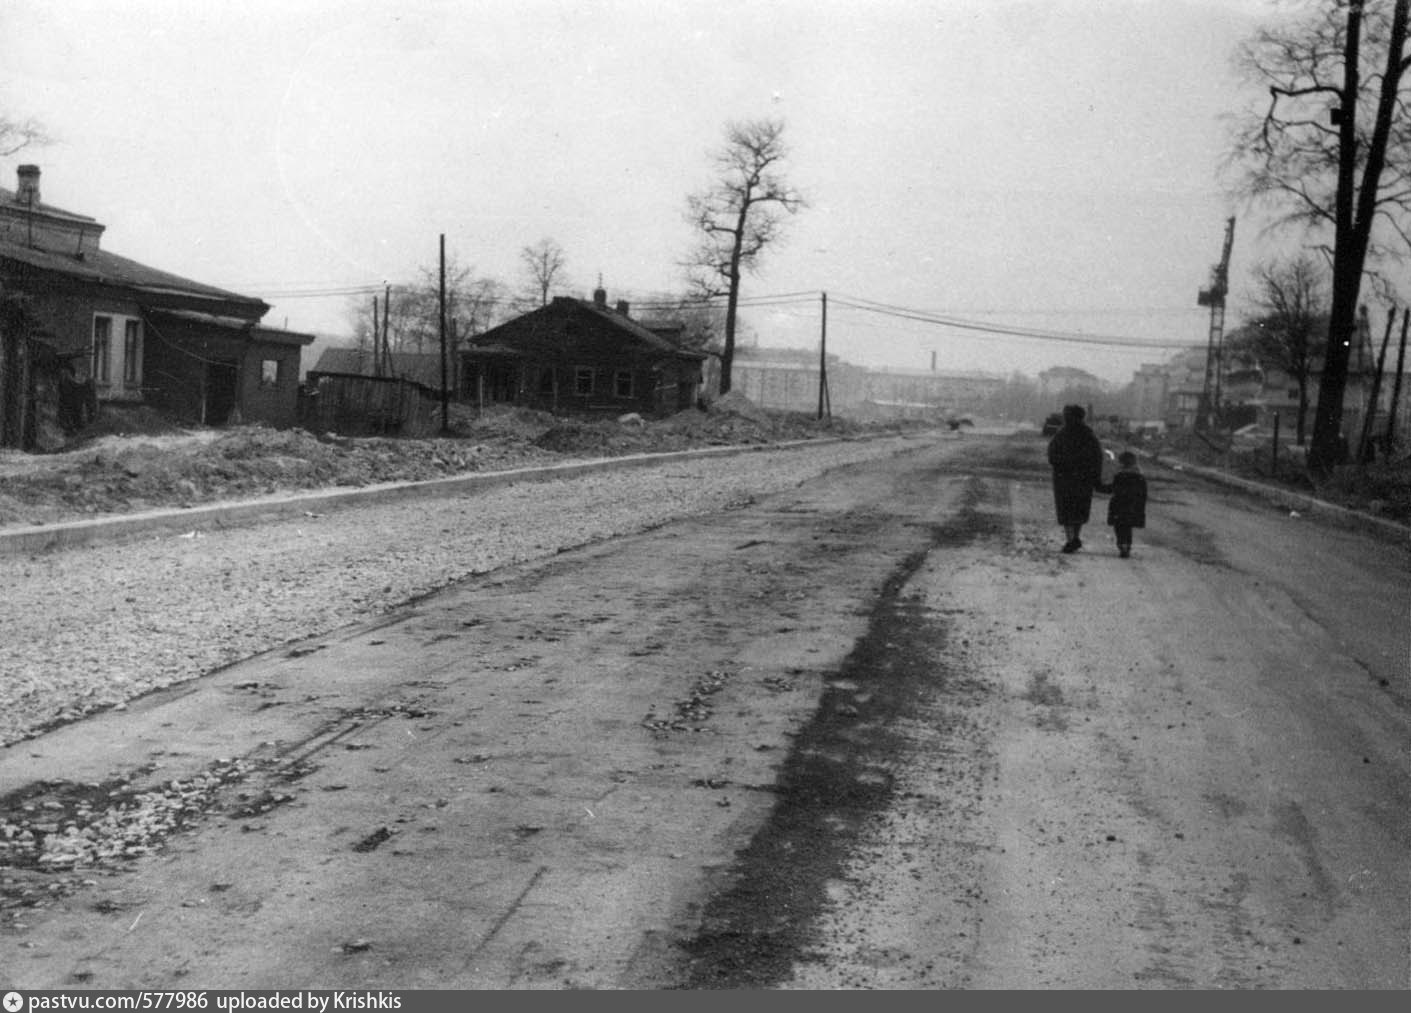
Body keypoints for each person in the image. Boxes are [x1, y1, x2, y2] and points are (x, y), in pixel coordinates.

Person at [1045, 403, 1105, 553]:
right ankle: (1074, 537)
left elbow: (1052, 456)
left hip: (1064, 478)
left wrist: (1062, 464)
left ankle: (1071, 539)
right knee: (1079, 509)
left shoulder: (1061, 435)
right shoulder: (1089, 435)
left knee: (1066, 510)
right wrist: (1096, 477)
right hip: (1083, 478)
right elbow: (1097, 458)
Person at [1103, 451, 1148, 558]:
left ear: (1121, 463)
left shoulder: (1120, 475)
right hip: (1133, 506)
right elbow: (1143, 494)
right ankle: (1127, 545)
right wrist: (1140, 507)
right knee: (1128, 527)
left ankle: (1122, 545)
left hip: (1119, 505)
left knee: (1119, 527)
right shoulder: (1140, 477)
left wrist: (1098, 486)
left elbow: (1112, 489)